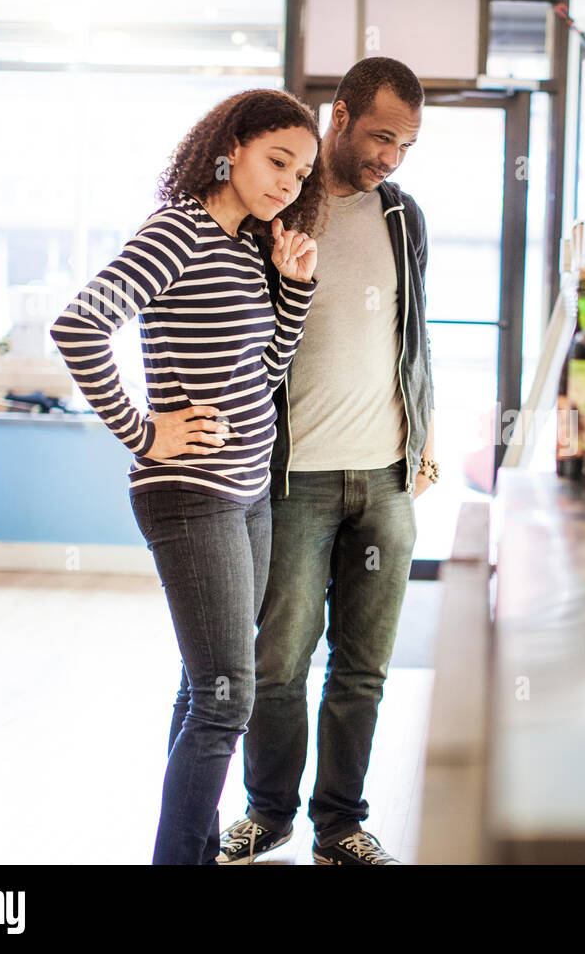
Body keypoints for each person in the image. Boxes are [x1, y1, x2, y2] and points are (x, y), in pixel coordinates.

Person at [50, 89, 322, 864]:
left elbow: (264, 371)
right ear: (230, 146)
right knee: (227, 697)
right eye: (278, 161)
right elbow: (78, 324)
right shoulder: (177, 231)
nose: (287, 183)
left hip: (249, 494)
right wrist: (144, 431)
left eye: (301, 174)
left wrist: (292, 288)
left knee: (206, 689)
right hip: (189, 493)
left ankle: (195, 852)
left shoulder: (246, 246)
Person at [216, 56, 435, 866]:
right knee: (278, 662)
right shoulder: (280, 207)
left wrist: (425, 434)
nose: (390, 158)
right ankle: (267, 812)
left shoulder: (404, 217)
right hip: (292, 478)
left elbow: (413, 337)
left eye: (406, 145)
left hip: (385, 479)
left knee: (364, 669)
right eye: (381, 136)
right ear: (339, 116)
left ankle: (339, 824)